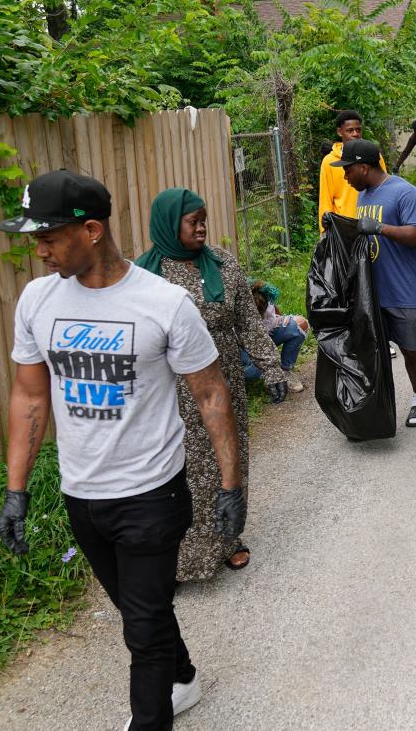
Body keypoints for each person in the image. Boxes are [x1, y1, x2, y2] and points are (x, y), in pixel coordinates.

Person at [0, 169, 245, 727]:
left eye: (48, 238)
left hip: (151, 494)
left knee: (141, 629)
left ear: (90, 230)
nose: (40, 252)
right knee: (140, 610)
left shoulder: (164, 303)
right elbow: (30, 397)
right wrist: (16, 491)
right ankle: (184, 679)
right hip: (81, 494)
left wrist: (231, 485)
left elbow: (210, 394)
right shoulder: (37, 301)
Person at [135, 188, 284, 579]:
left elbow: (248, 325)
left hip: (223, 382)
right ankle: (178, 557)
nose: (202, 228)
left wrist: (272, 368)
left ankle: (227, 539)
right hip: (168, 391)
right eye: (192, 222)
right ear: (169, 225)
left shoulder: (222, 264)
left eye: (204, 219)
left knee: (227, 461)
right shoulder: (143, 276)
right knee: (177, 472)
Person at [337, 138, 416, 428]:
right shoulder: (362, 195)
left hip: (403, 291)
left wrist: (381, 228)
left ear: (364, 168)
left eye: (348, 170)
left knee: (410, 348)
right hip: (373, 292)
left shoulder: (405, 193)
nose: (345, 176)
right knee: (373, 351)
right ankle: (380, 402)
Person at [318, 110, 387, 233]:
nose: (355, 134)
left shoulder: (374, 156)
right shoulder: (329, 162)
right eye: (350, 130)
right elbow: (325, 200)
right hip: (344, 227)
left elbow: (384, 189)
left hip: (371, 223)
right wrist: (325, 233)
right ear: (340, 132)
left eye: (358, 130)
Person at [242, 281, 309, 394]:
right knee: (253, 370)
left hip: (266, 335)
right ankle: (265, 376)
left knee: (300, 325)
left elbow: (276, 312)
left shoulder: (266, 298)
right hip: (244, 344)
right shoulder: (237, 306)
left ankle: (284, 370)